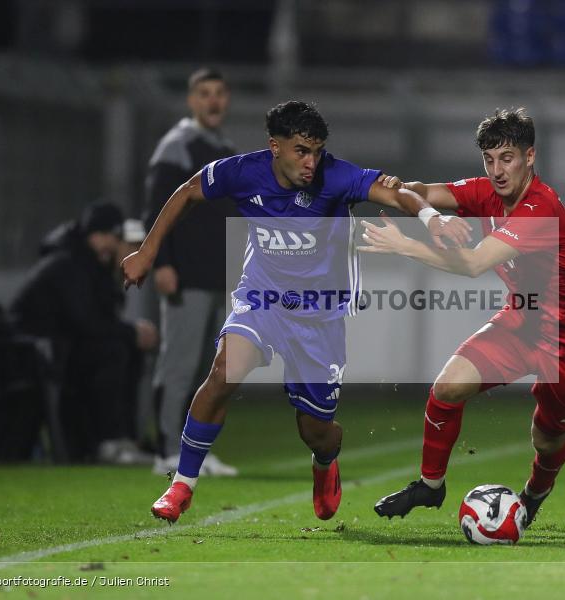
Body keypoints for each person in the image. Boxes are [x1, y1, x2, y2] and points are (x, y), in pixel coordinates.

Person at [121, 100, 470, 523]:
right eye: (301, 150)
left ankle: (325, 464)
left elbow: (395, 193)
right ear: (275, 146)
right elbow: (188, 191)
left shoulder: (335, 176)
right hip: (262, 298)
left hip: (319, 316)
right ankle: (182, 484)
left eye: (317, 151)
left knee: (317, 431)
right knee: (224, 370)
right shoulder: (242, 171)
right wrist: (147, 251)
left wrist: (432, 219)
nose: (311, 161)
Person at [359, 108, 565, 529]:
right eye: (489, 159)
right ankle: (430, 485)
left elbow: (475, 264)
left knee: (547, 438)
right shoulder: (485, 191)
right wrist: (394, 188)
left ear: (530, 157)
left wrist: (404, 245)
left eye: (507, 158)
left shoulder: (539, 208)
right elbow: (424, 190)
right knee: (447, 387)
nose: (497, 170)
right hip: (525, 317)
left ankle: (534, 493)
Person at [143, 68, 239, 477]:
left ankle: (195, 450)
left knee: (210, 372)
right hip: (186, 276)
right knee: (179, 366)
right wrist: (162, 262)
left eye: (219, 93)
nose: (213, 101)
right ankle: (166, 449)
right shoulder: (177, 147)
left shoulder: (223, 147)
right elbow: (155, 211)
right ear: (192, 101)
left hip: (218, 276)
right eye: (205, 94)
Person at [11, 202, 159, 463]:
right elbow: (85, 322)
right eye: (110, 237)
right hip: (38, 354)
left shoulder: (89, 265)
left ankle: (126, 438)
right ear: (95, 235)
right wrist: (130, 331)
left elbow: (96, 320)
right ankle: (110, 441)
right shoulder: (67, 264)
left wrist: (129, 333)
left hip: (59, 349)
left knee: (124, 347)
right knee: (113, 350)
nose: (113, 245)